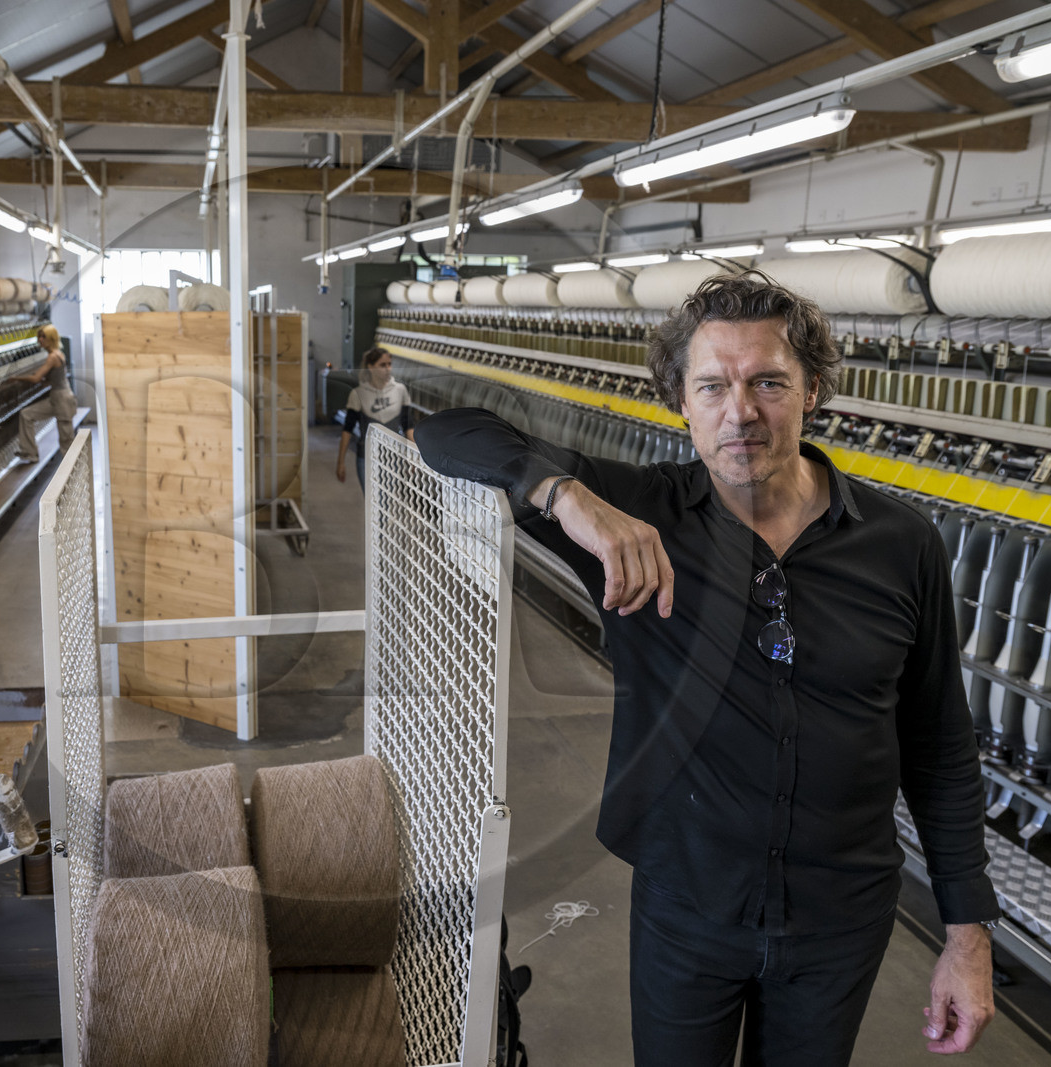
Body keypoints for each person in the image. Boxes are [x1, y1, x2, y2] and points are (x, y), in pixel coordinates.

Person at [415, 272, 998, 1066]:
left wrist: (967, 934)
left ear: (813, 389)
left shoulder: (903, 543)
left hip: (843, 917)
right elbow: (446, 433)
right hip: (686, 909)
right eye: (713, 386)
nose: (741, 412)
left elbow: (939, 744)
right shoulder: (632, 512)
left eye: (768, 382)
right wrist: (564, 496)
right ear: (680, 402)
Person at [337, 346, 414, 486]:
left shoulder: (400, 390)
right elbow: (347, 429)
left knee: (389, 505)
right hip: (367, 458)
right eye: (382, 365)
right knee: (370, 504)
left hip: (394, 459)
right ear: (370, 367)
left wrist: (414, 457)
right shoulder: (358, 394)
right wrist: (341, 461)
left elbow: (408, 425)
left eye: (389, 364)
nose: (388, 368)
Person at [10, 324, 80, 464]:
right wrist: (45, 380)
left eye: (43, 337)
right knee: (26, 415)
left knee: (66, 440)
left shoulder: (53, 357)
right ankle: (30, 453)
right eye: (39, 337)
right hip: (57, 398)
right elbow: (54, 378)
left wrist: (15, 378)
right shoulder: (58, 354)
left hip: (62, 400)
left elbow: (36, 378)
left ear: (51, 338)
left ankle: (72, 472)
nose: (40, 340)